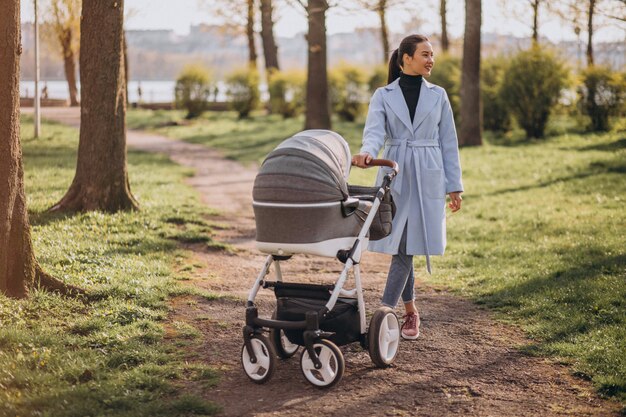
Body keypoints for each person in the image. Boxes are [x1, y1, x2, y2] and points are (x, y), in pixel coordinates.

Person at [351, 34, 464, 340]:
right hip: (396, 171)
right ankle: (410, 312)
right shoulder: (383, 95)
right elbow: (374, 132)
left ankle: (386, 312)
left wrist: (454, 185)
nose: (431, 60)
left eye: (432, 55)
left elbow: (449, 143)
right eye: (425, 54)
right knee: (403, 244)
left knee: (406, 247)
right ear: (406, 58)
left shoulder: (438, 95)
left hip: (428, 172)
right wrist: (367, 153)